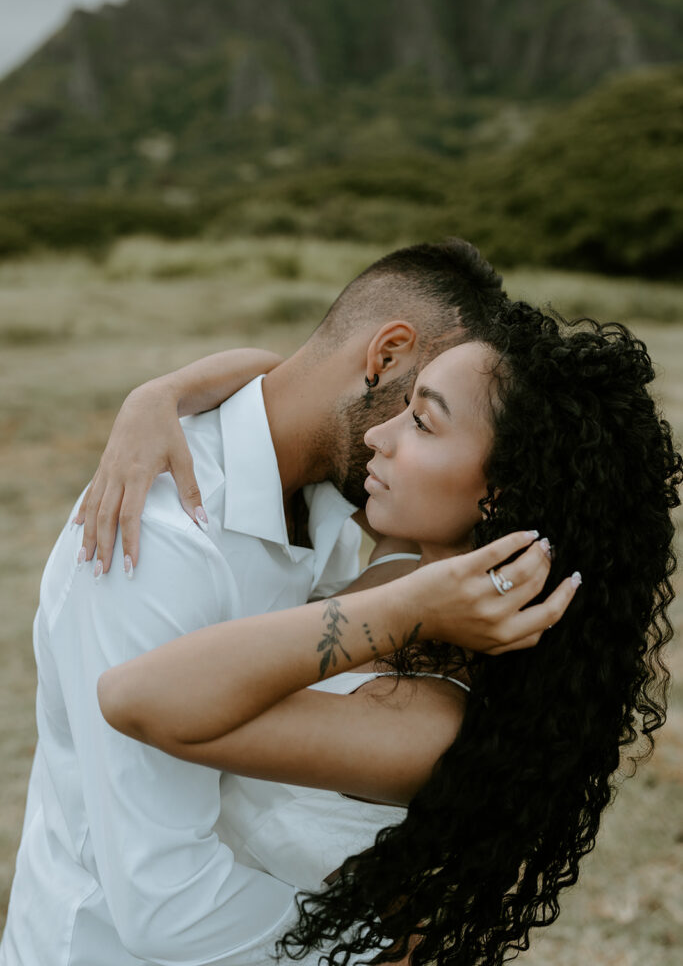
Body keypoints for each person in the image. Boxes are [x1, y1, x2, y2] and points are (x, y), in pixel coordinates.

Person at [93, 302, 681, 966]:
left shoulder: (424, 723)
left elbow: (133, 696)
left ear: (502, 498)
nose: (381, 434)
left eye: (422, 422)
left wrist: (403, 611)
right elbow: (288, 380)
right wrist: (156, 397)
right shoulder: (410, 550)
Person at [0, 239, 514, 966]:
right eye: (422, 408)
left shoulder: (336, 496)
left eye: (427, 424)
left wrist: (166, 390)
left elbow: (277, 379)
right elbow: (161, 904)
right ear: (387, 355)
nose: (388, 437)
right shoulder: (153, 537)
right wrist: (383, 948)